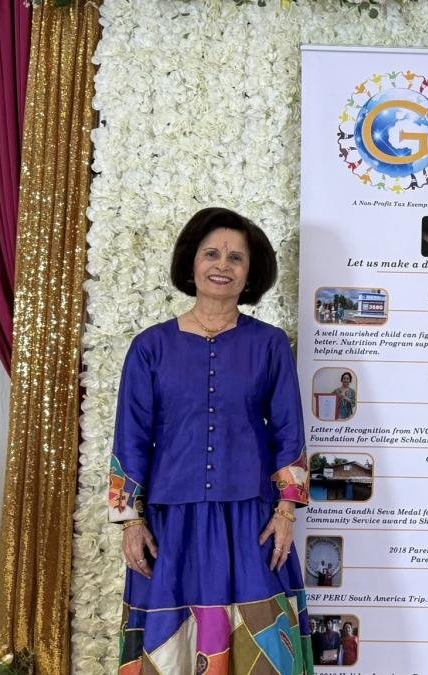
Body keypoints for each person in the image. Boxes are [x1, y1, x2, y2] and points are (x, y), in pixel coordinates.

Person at [109, 207, 312, 673]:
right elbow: (131, 436)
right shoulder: (150, 347)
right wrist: (130, 522)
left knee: (262, 639)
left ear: (250, 273)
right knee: (172, 644)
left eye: (236, 258)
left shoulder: (269, 344)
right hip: (170, 522)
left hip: (253, 519)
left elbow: (289, 430)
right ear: (192, 262)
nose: (223, 265)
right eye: (212, 254)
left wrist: (286, 512)